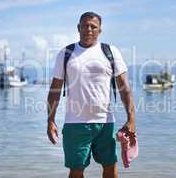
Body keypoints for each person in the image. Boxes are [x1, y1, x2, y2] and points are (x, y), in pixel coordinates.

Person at [47, 11, 136, 178]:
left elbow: (124, 88)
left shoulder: (110, 52)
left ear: (100, 30)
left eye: (93, 27)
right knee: (76, 171)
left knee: (110, 167)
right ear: (78, 28)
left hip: (105, 122)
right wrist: (50, 120)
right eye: (85, 26)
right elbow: (55, 90)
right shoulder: (66, 54)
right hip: (75, 123)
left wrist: (131, 119)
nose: (89, 29)